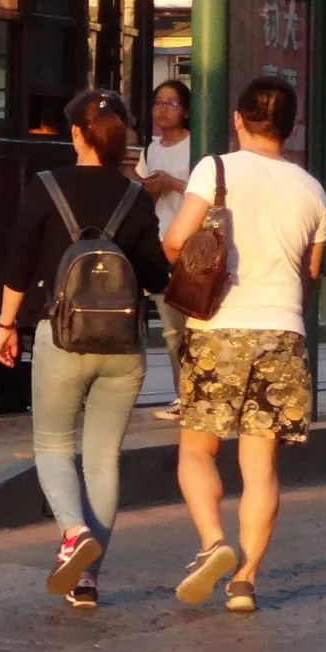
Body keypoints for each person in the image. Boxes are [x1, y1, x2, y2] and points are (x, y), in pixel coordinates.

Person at [0, 86, 169, 609]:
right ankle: (88, 577)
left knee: (51, 445)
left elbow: (20, 261)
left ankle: (72, 533)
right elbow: (157, 276)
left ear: (76, 133)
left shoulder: (45, 186)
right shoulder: (136, 196)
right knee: (103, 459)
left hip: (62, 339)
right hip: (124, 345)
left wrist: (6, 323)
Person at [163, 74, 326, 613]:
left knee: (197, 449)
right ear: (292, 126)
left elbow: (174, 240)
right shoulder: (312, 190)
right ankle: (245, 583)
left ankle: (213, 543)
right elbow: (311, 274)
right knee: (261, 469)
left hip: (218, 329)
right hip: (282, 333)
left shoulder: (215, 168)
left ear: (237, 120)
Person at [140, 78, 195, 415]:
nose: (162, 109)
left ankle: (200, 394)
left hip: (192, 247)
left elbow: (208, 194)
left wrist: (173, 183)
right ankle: (184, 395)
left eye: (171, 103)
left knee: (195, 326)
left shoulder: (197, 145)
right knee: (173, 330)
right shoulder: (150, 149)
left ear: (186, 111)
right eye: (158, 102)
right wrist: (152, 188)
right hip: (162, 246)